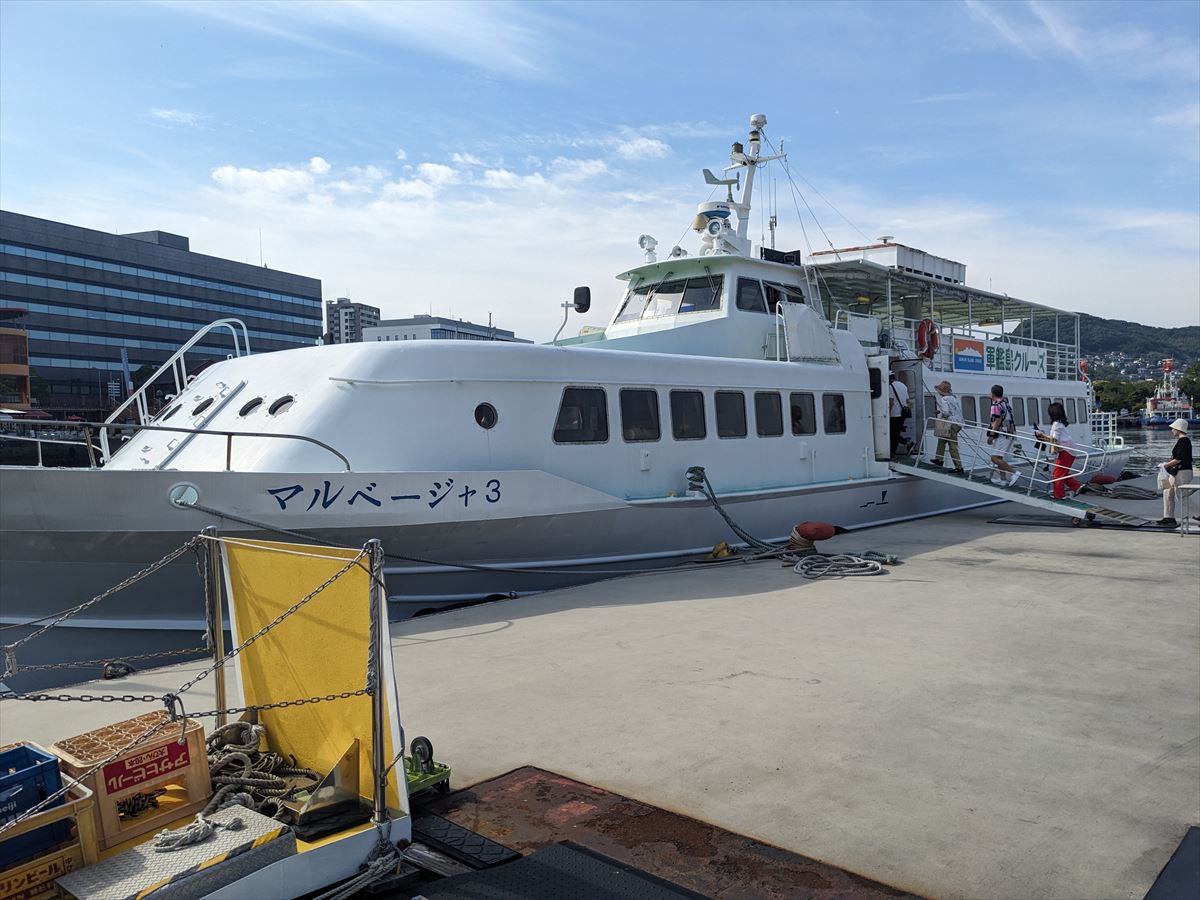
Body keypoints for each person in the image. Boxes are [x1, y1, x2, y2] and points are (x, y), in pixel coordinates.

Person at [1033, 402, 1083, 500]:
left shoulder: (1056, 425)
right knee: (1063, 472)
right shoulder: (1060, 424)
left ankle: (1059, 495)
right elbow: (1055, 438)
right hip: (1069, 450)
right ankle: (1077, 487)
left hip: (1066, 451)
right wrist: (1043, 436)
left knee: (1057, 474)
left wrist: (1043, 436)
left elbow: (1054, 439)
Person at [1159, 418, 1193, 527]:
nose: (1172, 430)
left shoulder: (1184, 441)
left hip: (1182, 472)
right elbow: (1178, 458)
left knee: (1181, 496)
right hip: (1177, 472)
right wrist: (1169, 463)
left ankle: (1198, 514)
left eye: (1173, 428)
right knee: (1167, 492)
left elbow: (1179, 458)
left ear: (1178, 429)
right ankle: (1168, 517)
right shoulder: (1182, 441)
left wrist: (1166, 465)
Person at [987, 385, 1020, 486]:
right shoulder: (1005, 403)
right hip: (1009, 433)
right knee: (999, 457)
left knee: (994, 458)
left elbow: (997, 421)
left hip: (1002, 434)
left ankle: (1015, 473)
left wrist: (991, 435)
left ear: (993, 393)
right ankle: (1003, 479)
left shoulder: (995, 405)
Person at [931, 380, 965, 473]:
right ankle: (939, 459)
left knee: (952, 446)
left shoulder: (944, 399)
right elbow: (954, 410)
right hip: (958, 423)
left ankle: (959, 467)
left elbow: (946, 412)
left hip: (951, 424)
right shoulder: (953, 398)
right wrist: (941, 412)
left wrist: (940, 413)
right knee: (941, 439)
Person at [888, 373, 910, 457]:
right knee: (895, 434)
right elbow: (908, 400)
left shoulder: (890, 387)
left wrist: (888, 413)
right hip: (903, 414)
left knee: (892, 434)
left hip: (894, 414)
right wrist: (907, 409)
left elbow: (891, 402)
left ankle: (908, 443)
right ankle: (892, 452)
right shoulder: (903, 385)